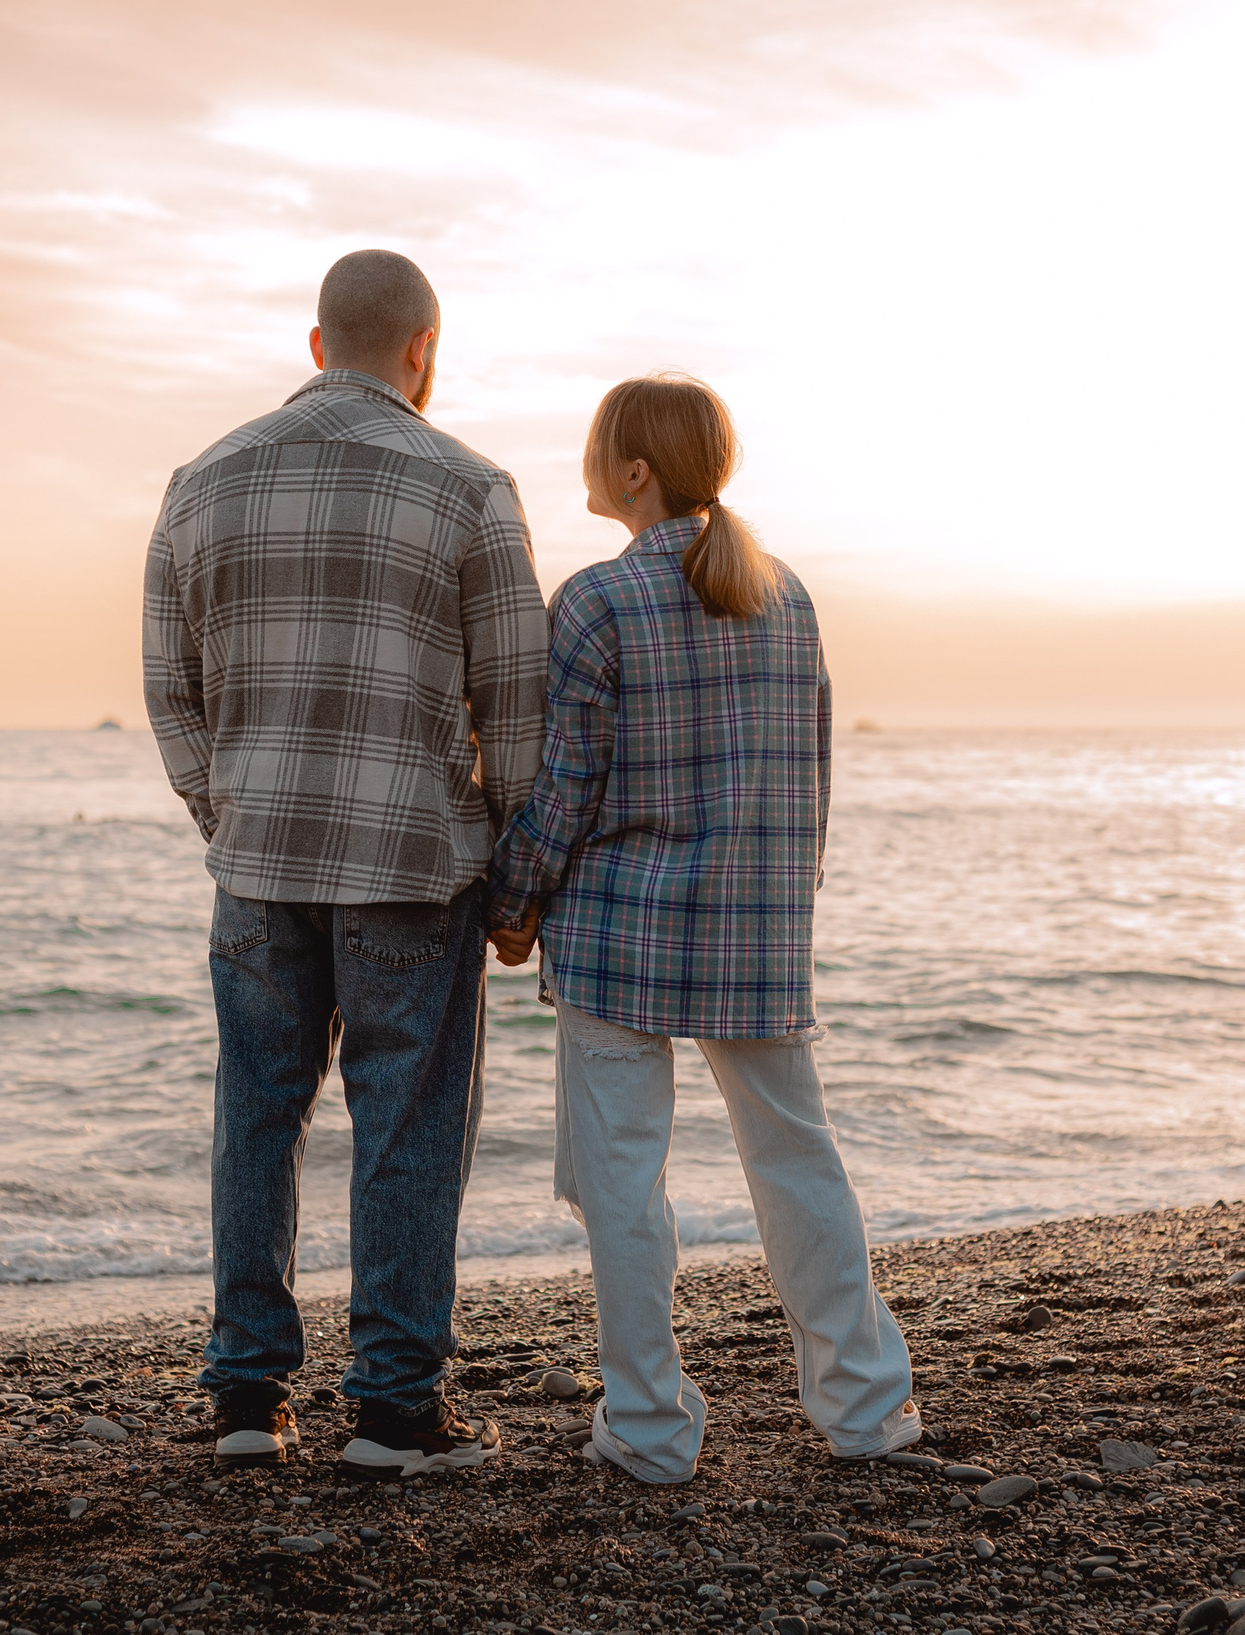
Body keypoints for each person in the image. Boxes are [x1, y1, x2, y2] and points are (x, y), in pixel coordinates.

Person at [144, 250, 547, 1478]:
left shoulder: (199, 481)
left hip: (258, 861)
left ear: (317, 345)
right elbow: (517, 711)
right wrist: (515, 880)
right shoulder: (471, 489)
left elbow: (172, 695)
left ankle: (246, 1404)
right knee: (408, 1126)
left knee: (257, 1116)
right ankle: (392, 1411)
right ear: (425, 349)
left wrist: (231, 817)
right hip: (413, 867)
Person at [486, 373, 919, 1485]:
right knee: (797, 1162)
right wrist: (787, 908)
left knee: (621, 1183)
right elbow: (810, 777)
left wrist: (513, 900)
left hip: (620, 939)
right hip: (755, 930)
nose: (586, 458)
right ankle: (866, 1411)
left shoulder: (595, 601)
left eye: (596, 445)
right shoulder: (789, 597)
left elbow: (565, 785)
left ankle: (649, 1431)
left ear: (633, 472)